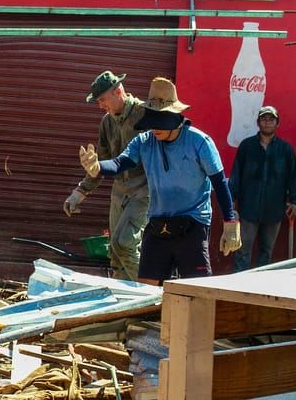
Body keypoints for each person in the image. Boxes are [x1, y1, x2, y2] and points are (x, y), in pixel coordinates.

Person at [78, 91, 240, 283]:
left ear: (174, 119)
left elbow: (220, 184)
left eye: (159, 123)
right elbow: (120, 163)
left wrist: (230, 223)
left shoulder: (200, 142)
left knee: (196, 289)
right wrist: (97, 167)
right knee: (149, 291)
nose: (154, 129)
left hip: (193, 225)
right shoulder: (144, 141)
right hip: (157, 224)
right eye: (151, 123)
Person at [61, 70, 149, 281]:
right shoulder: (107, 123)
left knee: (126, 244)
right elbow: (99, 163)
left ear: (118, 91)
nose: (100, 106)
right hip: (120, 193)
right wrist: (80, 191)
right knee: (116, 255)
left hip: (145, 191)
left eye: (102, 100)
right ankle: (125, 307)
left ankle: (153, 297)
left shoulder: (145, 114)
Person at [228, 103, 296, 271]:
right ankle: (239, 289)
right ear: (258, 123)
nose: (267, 122)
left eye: (271, 119)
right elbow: (236, 176)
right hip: (248, 210)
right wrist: (231, 200)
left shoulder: (286, 150)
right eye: (264, 119)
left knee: (266, 253)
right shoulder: (247, 147)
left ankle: (259, 290)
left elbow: (293, 178)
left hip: (274, 211)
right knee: (242, 252)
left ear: (278, 124)